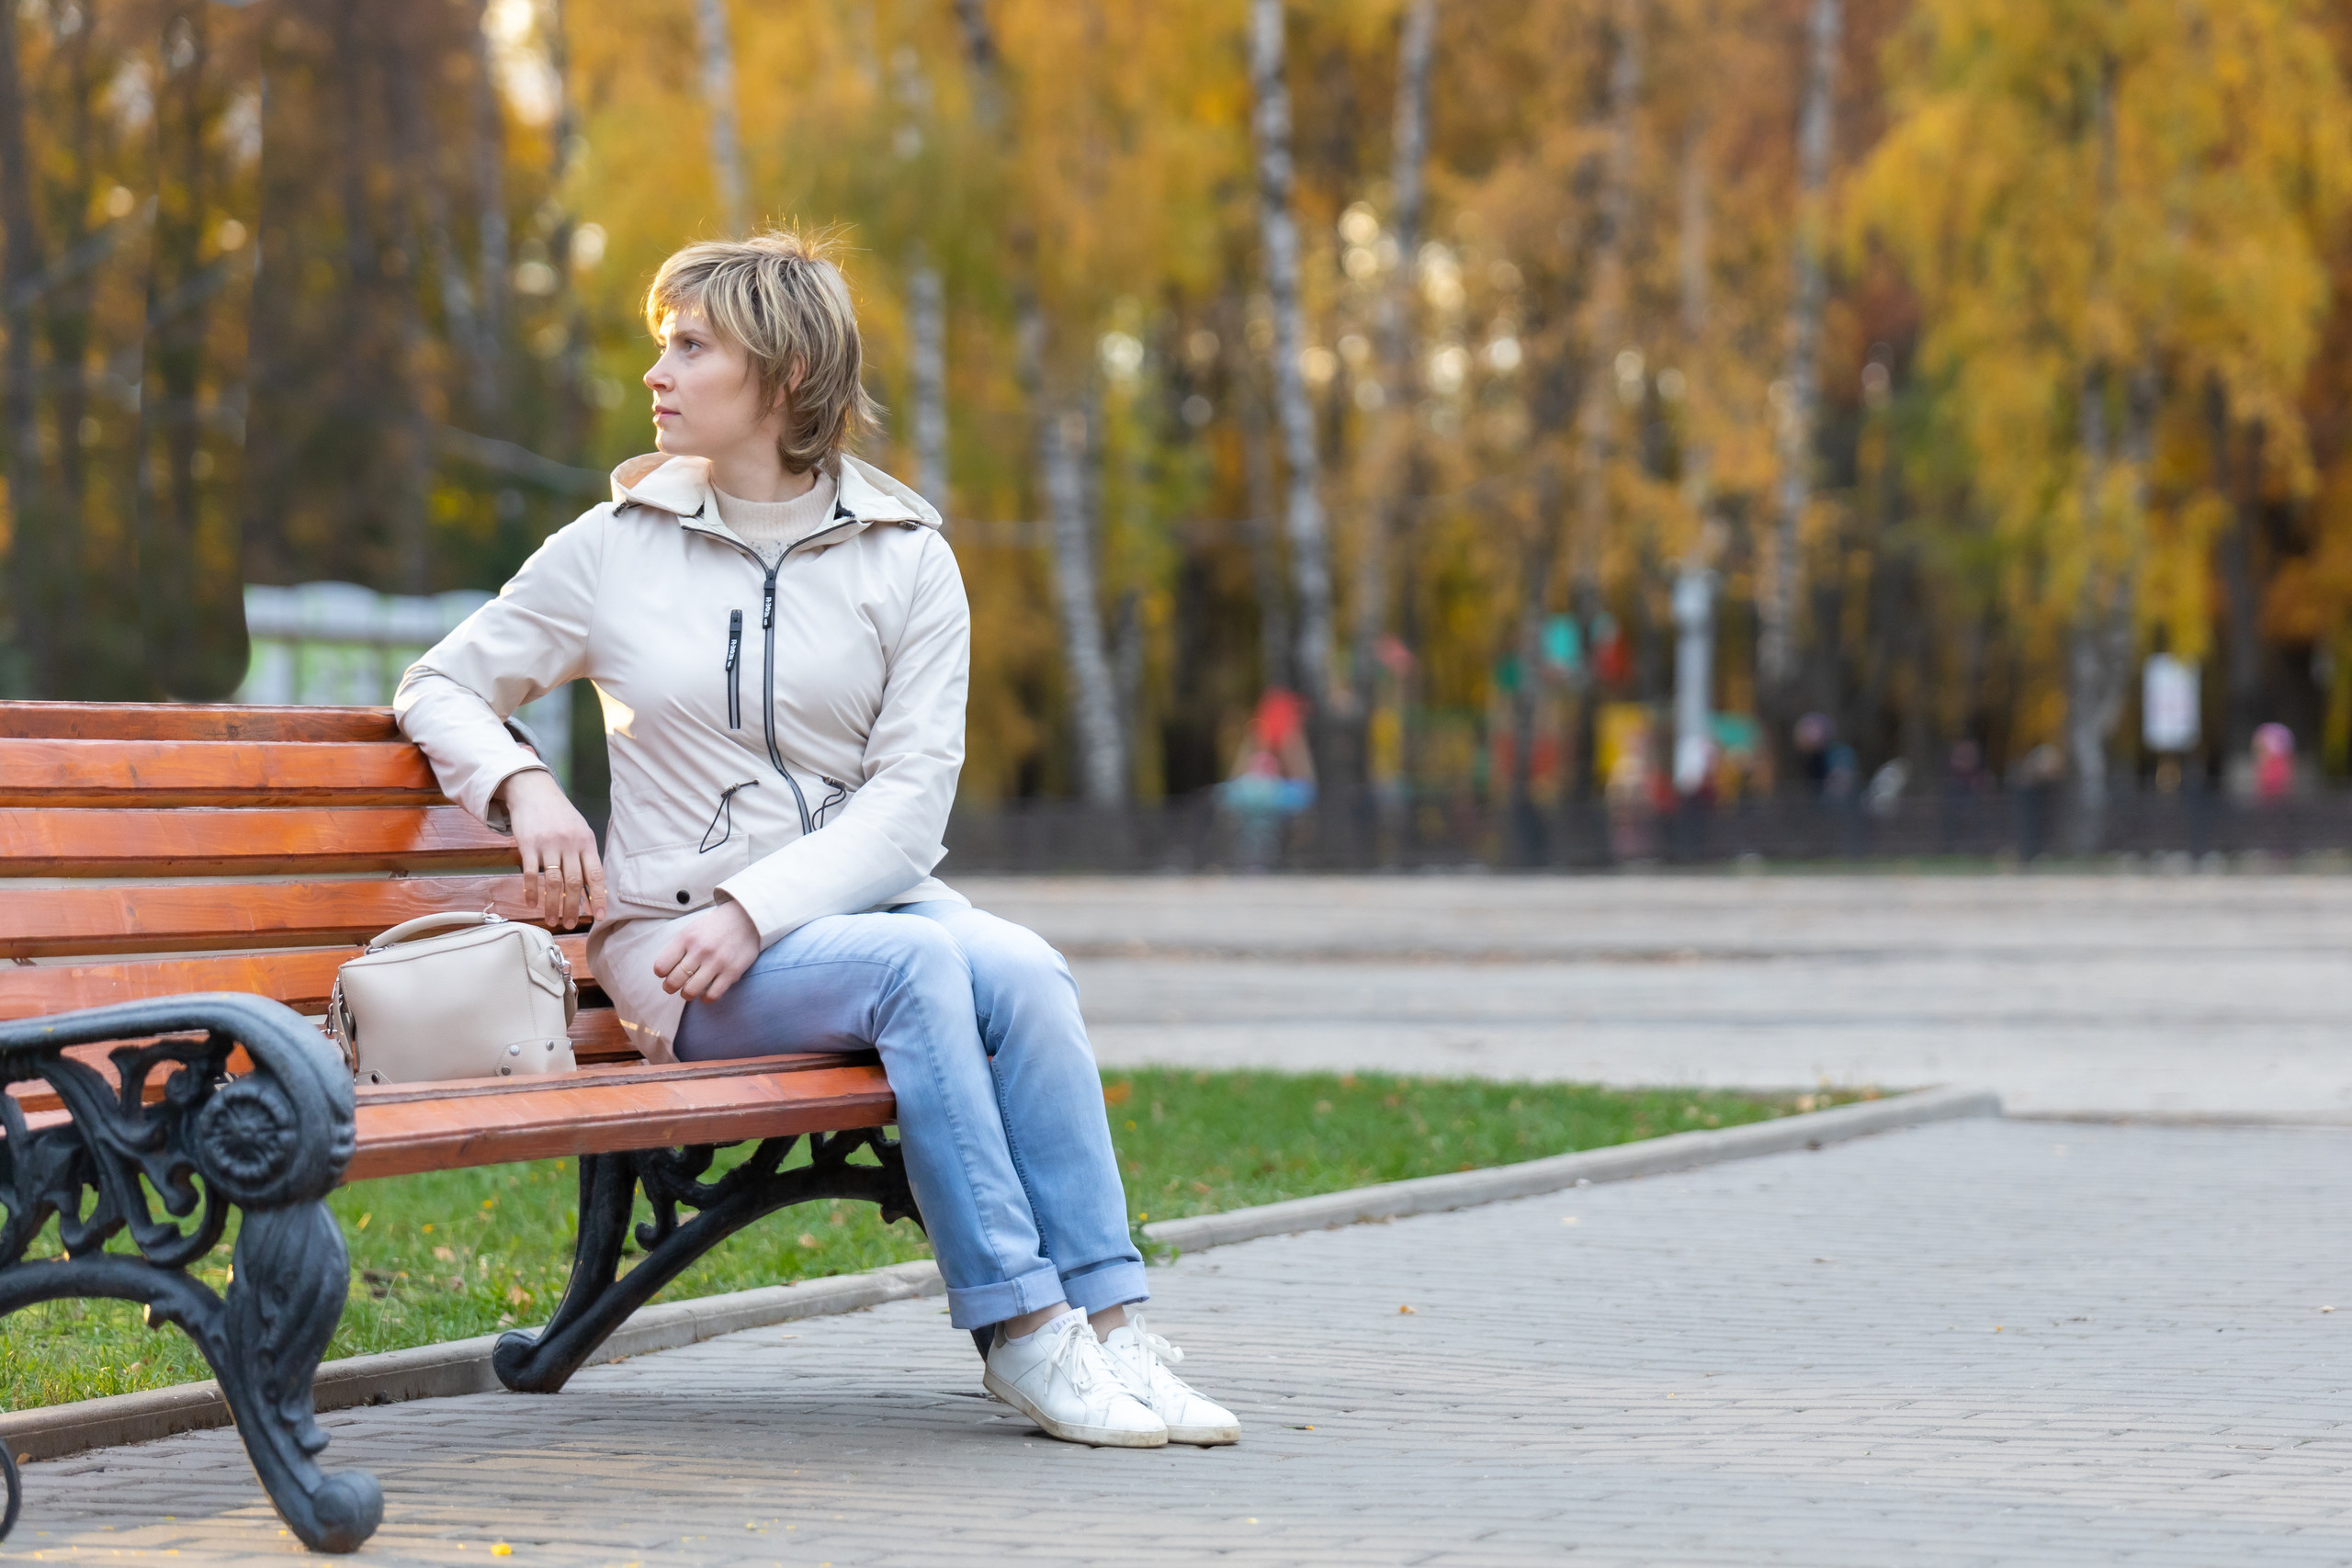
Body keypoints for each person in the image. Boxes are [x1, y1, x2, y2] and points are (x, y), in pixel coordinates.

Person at [394, 229, 1237, 1451]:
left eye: (692, 345)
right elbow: (440, 684)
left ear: (785, 378)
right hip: (679, 947)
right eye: (661, 343)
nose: (658, 372)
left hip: (830, 916)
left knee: (1024, 970)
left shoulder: (908, 557)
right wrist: (524, 785)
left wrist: (762, 910)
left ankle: (1112, 1325)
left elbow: (914, 799)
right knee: (924, 970)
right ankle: (1022, 1331)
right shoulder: (613, 547)